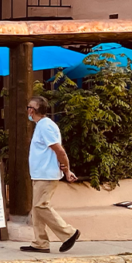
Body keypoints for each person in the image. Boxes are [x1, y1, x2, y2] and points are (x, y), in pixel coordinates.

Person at [23, 96, 80, 254]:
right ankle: (40, 243)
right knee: (36, 209)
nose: (27, 110)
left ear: (32, 110)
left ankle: (69, 233)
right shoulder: (41, 125)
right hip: (40, 174)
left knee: (40, 206)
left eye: (28, 107)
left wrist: (67, 170)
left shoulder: (46, 126)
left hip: (46, 175)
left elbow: (59, 150)